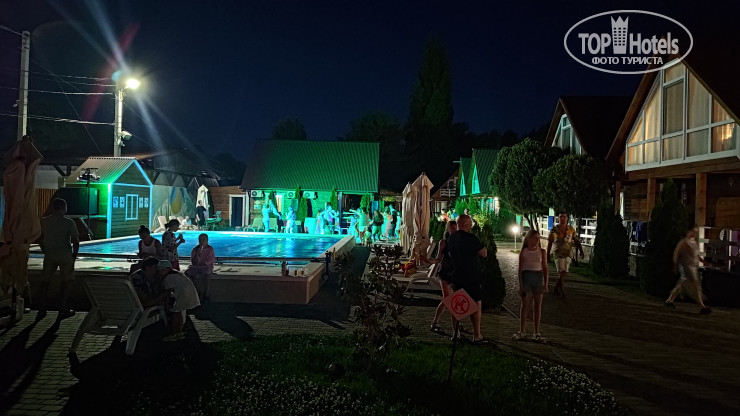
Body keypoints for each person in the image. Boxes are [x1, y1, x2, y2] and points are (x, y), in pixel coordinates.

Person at [445, 214, 488, 343]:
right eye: (470, 224)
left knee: (457, 302)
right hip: (471, 274)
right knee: (476, 302)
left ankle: (455, 332)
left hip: (457, 274)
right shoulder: (471, 238)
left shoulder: (451, 238)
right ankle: (477, 334)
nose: (471, 227)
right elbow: (483, 253)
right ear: (464, 224)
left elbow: (448, 254)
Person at [36, 198, 80, 321]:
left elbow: (40, 239)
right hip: (65, 254)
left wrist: (45, 250)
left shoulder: (44, 221)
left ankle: (41, 309)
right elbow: (76, 241)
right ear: (64, 208)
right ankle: (62, 310)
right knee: (65, 283)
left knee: (45, 282)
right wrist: (74, 256)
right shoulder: (69, 222)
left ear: (53, 208)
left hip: (50, 254)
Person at [666, 226, 712, 314]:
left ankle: (669, 300)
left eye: (696, 232)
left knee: (681, 284)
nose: (695, 233)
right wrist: (675, 265)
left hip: (693, 266)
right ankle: (701, 306)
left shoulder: (694, 242)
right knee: (695, 285)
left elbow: (697, 255)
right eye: (693, 231)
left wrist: (704, 262)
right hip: (686, 266)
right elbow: (676, 254)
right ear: (688, 231)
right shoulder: (683, 243)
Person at [513, 230, 549, 342]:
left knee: (537, 306)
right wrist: (521, 285)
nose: (537, 240)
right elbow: (520, 269)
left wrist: (546, 284)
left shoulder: (542, 251)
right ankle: (522, 331)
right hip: (527, 277)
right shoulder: (524, 252)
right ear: (528, 239)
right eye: (535, 238)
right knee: (525, 306)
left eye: (538, 238)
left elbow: (545, 268)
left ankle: (536, 332)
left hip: (538, 278)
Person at [158, 260, 200, 341]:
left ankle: (174, 333)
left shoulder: (168, 278)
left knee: (175, 313)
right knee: (178, 312)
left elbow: (167, 293)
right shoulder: (176, 274)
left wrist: (166, 304)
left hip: (184, 295)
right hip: (189, 293)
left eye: (162, 270)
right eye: (159, 270)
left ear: (167, 269)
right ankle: (179, 332)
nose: (160, 272)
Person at [429, 220, 457, 335]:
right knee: (448, 298)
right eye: (453, 228)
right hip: (445, 271)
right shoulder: (443, 242)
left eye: (456, 229)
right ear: (448, 229)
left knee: (451, 299)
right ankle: (454, 329)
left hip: (456, 272)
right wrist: (429, 261)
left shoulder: (459, 242)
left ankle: (437, 322)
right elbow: (438, 258)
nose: (455, 231)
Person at [547, 211, 584, 297]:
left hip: (568, 253)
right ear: (558, 218)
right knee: (562, 271)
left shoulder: (571, 229)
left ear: (567, 218)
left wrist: (581, 250)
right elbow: (550, 242)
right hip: (558, 252)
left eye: (564, 217)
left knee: (565, 272)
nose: (562, 218)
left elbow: (576, 240)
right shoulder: (554, 230)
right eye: (561, 217)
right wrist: (548, 253)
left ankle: (557, 288)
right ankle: (561, 290)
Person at [185, 233, 216, 302]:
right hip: (196, 267)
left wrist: (201, 265)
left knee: (207, 274)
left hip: (206, 267)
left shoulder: (210, 249)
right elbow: (193, 262)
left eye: (204, 240)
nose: (202, 241)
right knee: (187, 273)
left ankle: (206, 294)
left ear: (207, 240)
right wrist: (197, 254)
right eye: (200, 240)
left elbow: (210, 260)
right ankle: (196, 290)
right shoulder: (195, 249)